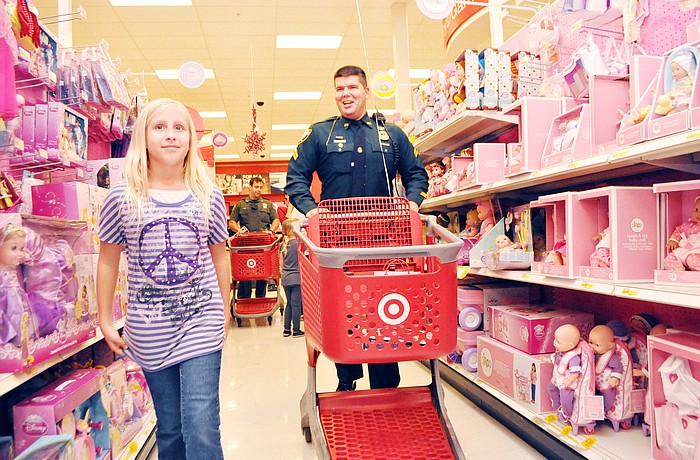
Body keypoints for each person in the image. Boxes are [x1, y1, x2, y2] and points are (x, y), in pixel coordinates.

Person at [96, 98, 231, 460]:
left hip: (202, 321)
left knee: (201, 425)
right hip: (149, 329)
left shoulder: (208, 195)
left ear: (190, 140)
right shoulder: (122, 197)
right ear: (143, 136)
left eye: (179, 127)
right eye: (159, 127)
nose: (170, 135)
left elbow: (220, 254)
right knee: (170, 429)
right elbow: (107, 260)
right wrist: (104, 319)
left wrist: (225, 309)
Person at [285, 65, 428, 392]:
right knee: (343, 309)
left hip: (385, 242)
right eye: (339, 89)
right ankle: (346, 380)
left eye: (352, 87)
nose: (345, 94)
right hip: (337, 242)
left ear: (366, 91)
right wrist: (312, 211)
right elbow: (295, 178)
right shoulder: (320, 134)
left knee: (384, 307)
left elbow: (417, 174)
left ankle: (386, 386)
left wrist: (413, 204)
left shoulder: (392, 135)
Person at [229, 176, 280, 299]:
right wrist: (239, 231)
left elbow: (276, 220)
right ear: (250, 187)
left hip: (264, 246)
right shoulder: (240, 205)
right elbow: (232, 222)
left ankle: (261, 300)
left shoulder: (268, 204)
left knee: (263, 274)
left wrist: (271, 231)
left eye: (261, 187)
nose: (259, 190)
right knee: (245, 274)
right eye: (256, 187)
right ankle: (244, 300)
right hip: (245, 247)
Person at [543, 324, 582, 421]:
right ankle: (557, 404)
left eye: (558, 341)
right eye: (555, 339)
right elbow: (555, 361)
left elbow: (575, 372)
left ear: (570, 345)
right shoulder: (560, 352)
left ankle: (566, 414)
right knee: (551, 388)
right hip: (557, 378)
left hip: (567, 382)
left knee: (566, 399)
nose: (554, 342)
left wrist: (569, 381)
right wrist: (547, 360)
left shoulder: (573, 357)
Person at [588, 324, 623, 414]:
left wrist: (614, 378)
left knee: (608, 399)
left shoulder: (611, 357)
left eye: (597, 345)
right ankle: (596, 411)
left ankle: (605, 410)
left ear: (610, 345)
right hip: (594, 383)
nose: (592, 347)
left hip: (606, 384)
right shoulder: (592, 354)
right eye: (590, 343)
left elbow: (618, 368)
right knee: (595, 397)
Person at [280, 218, 303, 338]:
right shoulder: (298, 244)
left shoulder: (283, 244)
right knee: (296, 305)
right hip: (296, 277)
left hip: (285, 277)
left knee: (289, 304)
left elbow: (281, 263)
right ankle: (296, 330)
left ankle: (286, 329)